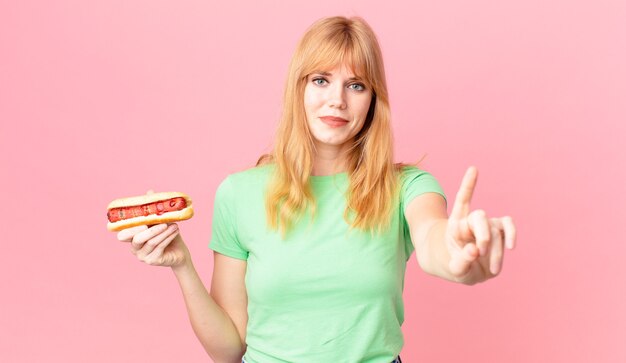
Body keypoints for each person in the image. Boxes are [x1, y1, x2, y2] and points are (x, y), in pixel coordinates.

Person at [116, 16, 516, 363]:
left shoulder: (407, 186)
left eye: (356, 85)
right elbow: (228, 350)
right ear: (299, 89)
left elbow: (434, 240)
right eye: (321, 80)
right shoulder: (239, 194)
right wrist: (182, 264)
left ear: (374, 100)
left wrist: (459, 253)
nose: (336, 100)